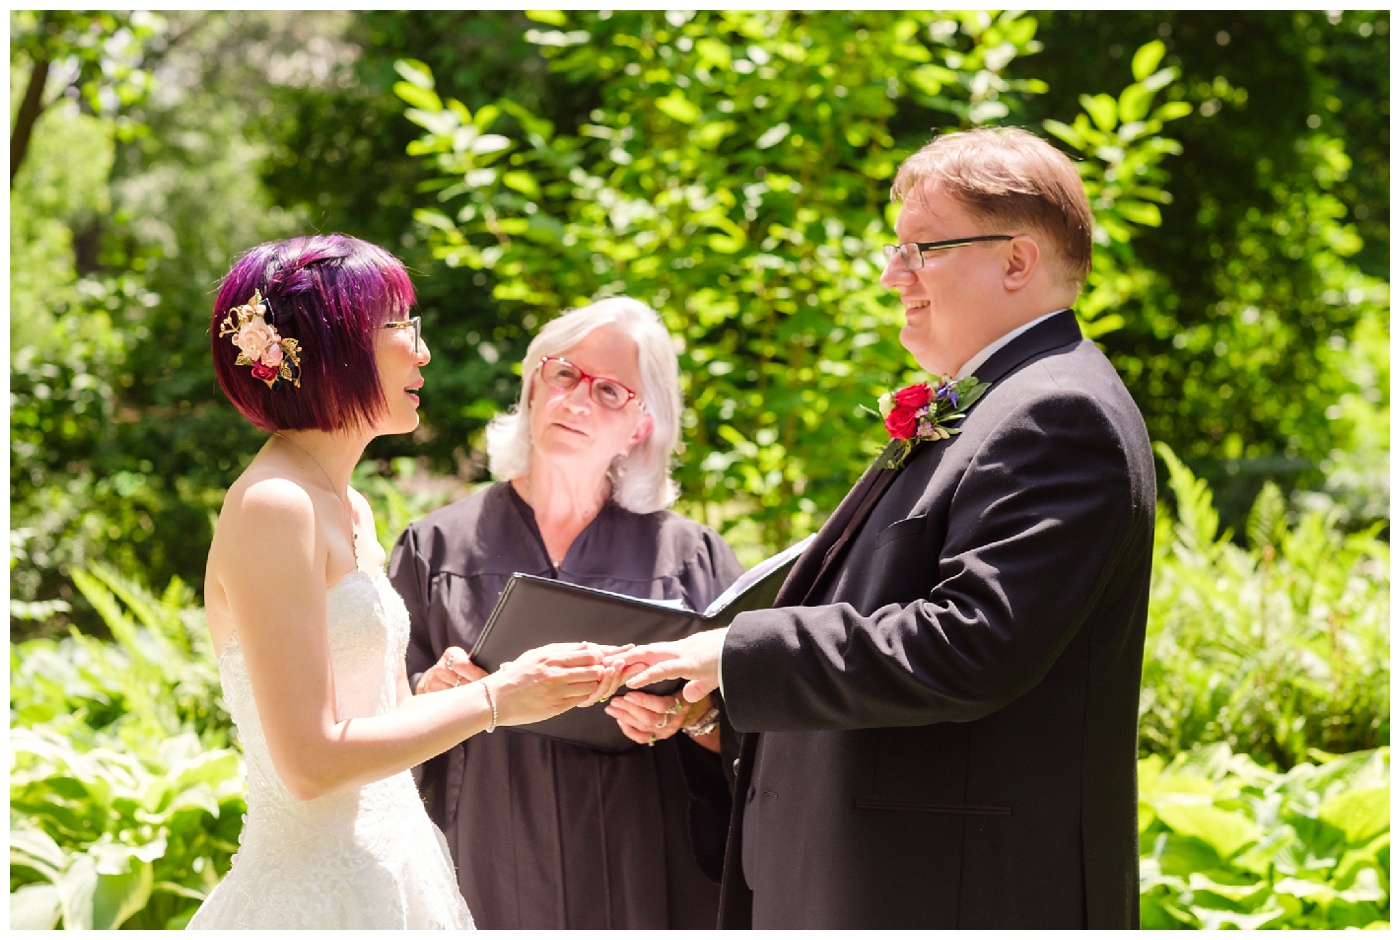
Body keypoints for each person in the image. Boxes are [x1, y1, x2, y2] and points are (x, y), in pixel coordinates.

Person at [620, 127, 1157, 929]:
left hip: (951, 896)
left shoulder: (1057, 412)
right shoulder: (996, 402)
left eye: (920, 249)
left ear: (1017, 260)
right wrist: (717, 694)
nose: (890, 273)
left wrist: (737, 652)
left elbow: (968, 645)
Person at [188, 235, 625, 930]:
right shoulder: (274, 505)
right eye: (401, 327)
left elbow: (374, 720)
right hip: (314, 898)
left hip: (395, 866)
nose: (422, 352)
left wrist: (438, 692)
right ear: (334, 346)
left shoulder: (348, 504)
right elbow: (308, 763)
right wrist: (497, 698)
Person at [388, 296, 745, 929]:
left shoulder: (688, 556)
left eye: (610, 391)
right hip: (488, 860)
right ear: (532, 385)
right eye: (564, 374)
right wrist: (430, 690)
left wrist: (693, 716)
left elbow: (757, 729)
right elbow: (376, 719)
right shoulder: (436, 547)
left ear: (642, 424)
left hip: (645, 867)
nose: (578, 400)